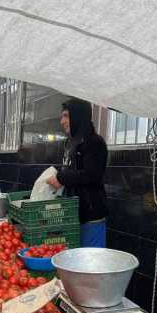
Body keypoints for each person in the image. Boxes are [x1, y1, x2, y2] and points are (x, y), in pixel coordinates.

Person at [47, 99, 108, 247]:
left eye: (66, 116)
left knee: (91, 262)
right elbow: (72, 171)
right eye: (62, 117)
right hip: (74, 214)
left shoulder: (94, 142)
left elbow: (91, 174)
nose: (62, 121)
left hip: (90, 215)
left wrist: (61, 178)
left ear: (78, 116)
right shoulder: (71, 143)